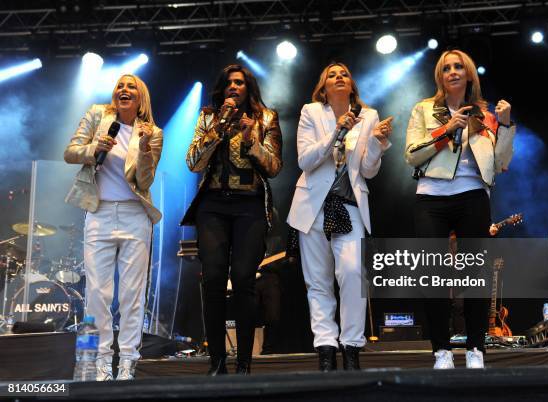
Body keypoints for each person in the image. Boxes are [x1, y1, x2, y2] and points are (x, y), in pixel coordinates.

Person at [405, 49, 515, 369]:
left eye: (458, 67)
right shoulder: (425, 109)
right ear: (440, 76)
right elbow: (412, 155)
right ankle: (441, 350)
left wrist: (505, 126)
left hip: (473, 196)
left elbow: (500, 163)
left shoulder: (485, 114)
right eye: (446, 68)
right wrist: (446, 129)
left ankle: (475, 349)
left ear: (468, 74)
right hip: (431, 197)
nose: (452, 71)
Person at [287, 62, 392, 371]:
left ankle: (351, 347)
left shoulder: (369, 115)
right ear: (323, 86)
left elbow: (369, 170)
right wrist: (337, 130)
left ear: (351, 85)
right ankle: (325, 348)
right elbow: (306, 161)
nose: (338, 77)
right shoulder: (311, 112)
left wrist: (377, 142)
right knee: (318, 283)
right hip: (313, 206)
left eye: (344, 73)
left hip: (349, 204)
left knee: (351, 274)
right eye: (332, 75)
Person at [180, 64, 282, 375]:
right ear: (222, 89)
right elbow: (193, 164)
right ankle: (217, 362)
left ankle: (245, 363)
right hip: (212, 206)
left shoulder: (266, 117)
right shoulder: (209, 117)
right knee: (212, 281)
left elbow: (275, 166)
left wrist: (252, 141)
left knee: (242, 281)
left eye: (239, 83)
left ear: (248, 87)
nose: (233, 87)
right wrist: (217, 131)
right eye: (228, 83)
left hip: (249, 206)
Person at [64, 74, 163, 380]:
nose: (124, 90)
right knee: (97, 293)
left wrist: (145, 149)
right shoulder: (98, 115)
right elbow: (70, 152)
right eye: (120, 86)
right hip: (100, 212)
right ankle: (100, 363)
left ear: (140, 97)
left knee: (133, 295)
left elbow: (145, 181)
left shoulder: (153, 132)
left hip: (135, 216)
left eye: (131, 87)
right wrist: (94, 148)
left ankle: (129, 363)